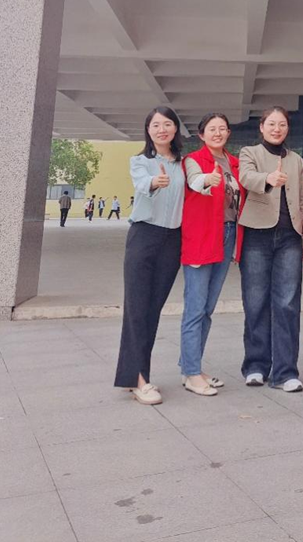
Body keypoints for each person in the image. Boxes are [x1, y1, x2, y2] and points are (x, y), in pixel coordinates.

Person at [238, 106, 303, 392]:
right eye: (271, 123)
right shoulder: (250, 153)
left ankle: (285, 372)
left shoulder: (296, 160)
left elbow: (302, 199)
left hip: (289, 237)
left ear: (287, 128)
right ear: (262, 127)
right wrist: (267, 179)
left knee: (287, 303)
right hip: (256, 235)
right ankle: (256, 366)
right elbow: (246, 177)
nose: (277, 129)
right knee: (255, 302)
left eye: (282, 124)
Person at [114, 107, 184, 406]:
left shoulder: (183, 164)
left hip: (173, 239)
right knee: (137, 308)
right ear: (148, 130)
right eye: (156, 125)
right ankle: (139, 378)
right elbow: (142, 184)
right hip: (144, 236)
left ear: (175, 129)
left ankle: (136, 375)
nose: (162, 129)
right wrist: (155, 182)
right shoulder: (140, 161)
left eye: (167, 124)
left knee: (152, 309)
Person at [180, 113, 246, 396]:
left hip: (228, 235)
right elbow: (196, 182)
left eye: (222, 129)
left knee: (207, 309)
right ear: (201, 134)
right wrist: (207, 180)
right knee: (195, 308)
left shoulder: (235, 163)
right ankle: (191, 372)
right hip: (202, 237)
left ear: (228, 133)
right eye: (211, 129)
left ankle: (191, 366)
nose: (217, 133)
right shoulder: (193, 160)